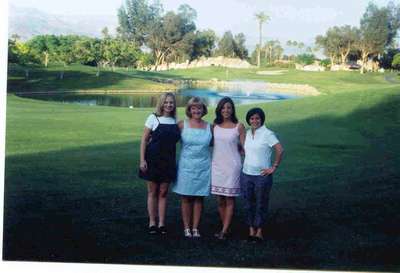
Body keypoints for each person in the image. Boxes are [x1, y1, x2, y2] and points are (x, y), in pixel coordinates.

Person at [139, 92, 180, 235]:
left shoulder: (176, 120)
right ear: (161, 103)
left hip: (168, 161)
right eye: (166, 102)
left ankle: (162, 223)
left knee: (163, 193)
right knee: (152, 192)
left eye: (171, 102)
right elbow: (144, 140)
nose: (169, 105)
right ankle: (152, 222)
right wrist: (142, 160)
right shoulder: (153, 118)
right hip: (152, 160)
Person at [240, 107, 284, 243]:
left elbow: (280, 150)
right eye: (252, 118)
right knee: (248, 203)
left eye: (257, 118)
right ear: (249, 120)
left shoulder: (267, 133)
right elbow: (246, 150)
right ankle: (251, 230)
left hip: (262, 176)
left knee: (260, 203)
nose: (254, 121)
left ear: (261, 119)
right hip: (246, 174)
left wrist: (273, 167)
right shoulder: (247, 133)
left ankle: (259, 231)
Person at [172, 97, 212, 238]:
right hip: (186, 166)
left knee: (199, 198)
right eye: (193, 108)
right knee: (186, 197)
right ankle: (186, 228)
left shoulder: (209, 127)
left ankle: (195, 228)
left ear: (203, 109)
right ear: (189, 110)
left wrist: (240, 147)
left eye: (199, 108)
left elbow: (221, 143)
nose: (197, 110)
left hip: (203, 166)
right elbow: (169, 139)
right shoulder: (182, 125)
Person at [211, 97, 246, 240]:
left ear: (233, 110)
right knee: (220, 199)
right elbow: (210, 143)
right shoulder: (214, 126)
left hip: (232, 166)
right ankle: (227, 226)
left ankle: (224, 231)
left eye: (229, 108)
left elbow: (245, 147)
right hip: (217, 166)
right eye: (223, 108)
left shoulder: (239, 126)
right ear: (219, 109)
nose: (226, 110)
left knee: (230, 199)